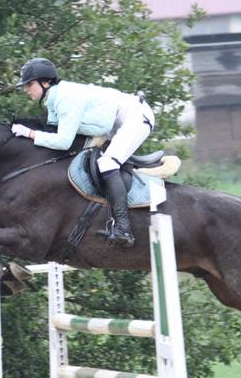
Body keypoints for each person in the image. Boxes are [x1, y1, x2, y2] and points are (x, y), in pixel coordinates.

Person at [11, 57, 155, 248]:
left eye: (29, 84)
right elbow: (54, 133)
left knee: (107, 163)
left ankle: (124, 228)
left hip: (134, 116)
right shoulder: (52, 99)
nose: (26, 89)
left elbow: (63, 142)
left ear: (45, 83)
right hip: (115, 122)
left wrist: (29, 133)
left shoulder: (65, 97)